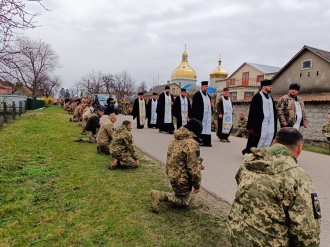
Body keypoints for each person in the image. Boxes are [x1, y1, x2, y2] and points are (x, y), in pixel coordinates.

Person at [229, 127, 321, 246]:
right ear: (299, 149)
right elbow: (306, 233)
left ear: (273, 143)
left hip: (237, 237)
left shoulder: (248, 162)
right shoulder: (299, 176)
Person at [150, 118, 203, 213]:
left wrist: (199, 162)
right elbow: (194, 169)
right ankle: (160, 195)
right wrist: (197, 185)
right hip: (181, 178)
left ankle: (177, 193)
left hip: (171, 174)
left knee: (181, 194)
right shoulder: (192, 144)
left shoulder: (174, 140)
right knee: (184, 201)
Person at [242, 79, 277, 155]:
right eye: (269, 86)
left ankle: (264, 154)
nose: (271, 87)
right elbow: (253, 112)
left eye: (271, 86)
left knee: (268, 139)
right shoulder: (257, 97)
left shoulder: (270, 98)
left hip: (269, 124)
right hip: (259, 124)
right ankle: (250, 153)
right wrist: (254, 126)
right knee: (255, 139)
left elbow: (274, 112)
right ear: (264, 87)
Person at [191, 81, 214, 147]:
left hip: (207, 116)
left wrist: (212, 107)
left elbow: (209, 106)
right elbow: (195, 107)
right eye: (205, 86)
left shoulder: (208, 96)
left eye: (207, 86)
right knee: (200, 128)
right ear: (202, 87)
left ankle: (207, 142)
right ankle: (199, 141)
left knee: (206, 129)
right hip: (200, 116)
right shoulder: (197, 95)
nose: (206, 88)